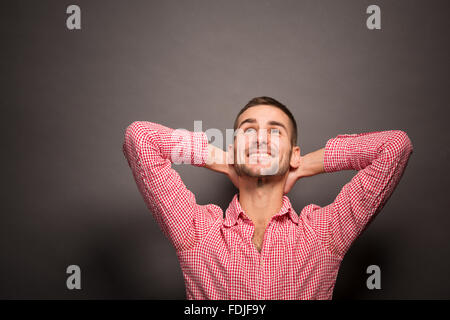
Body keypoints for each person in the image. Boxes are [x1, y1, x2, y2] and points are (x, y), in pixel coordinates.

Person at [122, 96, 413, 299]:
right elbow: (141, 138)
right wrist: (226, 160)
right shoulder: (196, 232)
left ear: (293, 153)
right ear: (234, 147)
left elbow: (394, 147)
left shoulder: (324, 234)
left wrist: (302, 166)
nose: (261, 138)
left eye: (275, 132)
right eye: (249, 130)